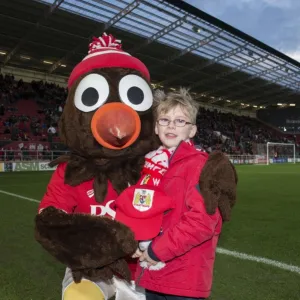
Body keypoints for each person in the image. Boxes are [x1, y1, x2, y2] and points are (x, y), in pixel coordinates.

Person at [133, 88, 222, 300]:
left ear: (192, 131)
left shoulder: (200, 165)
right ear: (156, 127)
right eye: (164, 120)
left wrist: (157, 250)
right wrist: (134, 242)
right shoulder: (150, 164)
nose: (171, 125)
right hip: (153, 274)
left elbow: (203, 221)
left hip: (183, 280)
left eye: (180, 121)